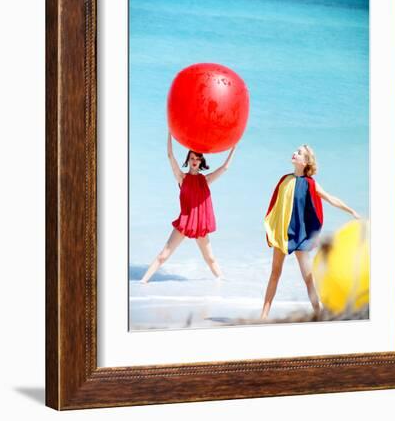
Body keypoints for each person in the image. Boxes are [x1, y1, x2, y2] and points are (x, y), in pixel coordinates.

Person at [260, 144, 360, 319]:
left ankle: (318, 313)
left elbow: (330, 198)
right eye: (295, 151)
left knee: (308, 277)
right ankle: (263, 316)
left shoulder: (310, 183)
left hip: (299, 236)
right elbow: (277, 206)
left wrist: (351, 211)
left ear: (306, 161)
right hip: (283, 235)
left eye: (299, 153)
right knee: (275, 273)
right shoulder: (285, 179)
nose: (294, 153)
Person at [139, 132, 237, 283]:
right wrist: (170, 133)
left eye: (197, 158)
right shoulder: (182, 178)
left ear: (201, 161)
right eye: (192, 158)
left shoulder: (205, 179)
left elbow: (225, 168)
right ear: (188, 160)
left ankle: (224, 282)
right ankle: (142, 281)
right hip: (185, 222)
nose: (194, 161)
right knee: (163, 255)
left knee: (210, 258)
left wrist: (233, 147)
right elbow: (170, 156)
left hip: (200, 225)